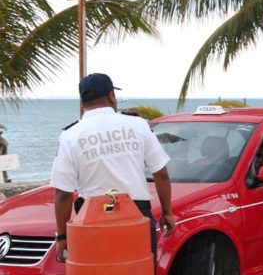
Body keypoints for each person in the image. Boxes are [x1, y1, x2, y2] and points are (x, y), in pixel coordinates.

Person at [49, 73, 176, 265]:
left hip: (91, 218)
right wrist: (167, 212)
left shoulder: (70, 136)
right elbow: (161, 174)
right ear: (111, 96)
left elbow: (63, 193)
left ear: (82, 102)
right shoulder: (139, 125)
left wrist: (62, 237)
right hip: (136, 215)